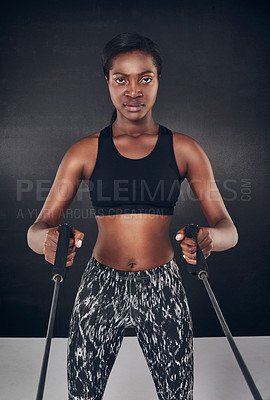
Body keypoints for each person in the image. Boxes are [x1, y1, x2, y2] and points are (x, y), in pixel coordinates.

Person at [27, 32, 238, 400]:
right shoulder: (85, 150)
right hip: (99, 287)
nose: (133, 90)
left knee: (177, 394)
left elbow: (228, 229)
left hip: (163, 287)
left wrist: (210, 238)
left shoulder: (184, 148)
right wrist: (45, 241)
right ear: (107, 81)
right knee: (82, 394)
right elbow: (38, 227)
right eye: (120, 79)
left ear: (158, 80)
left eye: (145, 78)